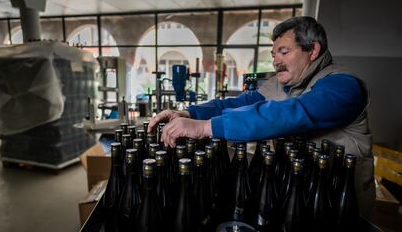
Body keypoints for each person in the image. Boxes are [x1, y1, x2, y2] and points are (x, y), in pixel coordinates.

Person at [148, 16, 374, 216]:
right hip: (293, 196)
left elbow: (293, 113)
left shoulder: (343, 86)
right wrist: (188, 113)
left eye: (284, 52)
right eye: (274, 54)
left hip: (338, 206)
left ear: (313, 50)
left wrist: (204, 128)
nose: (276, 61)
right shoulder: (279, 84)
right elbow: (238, 103)